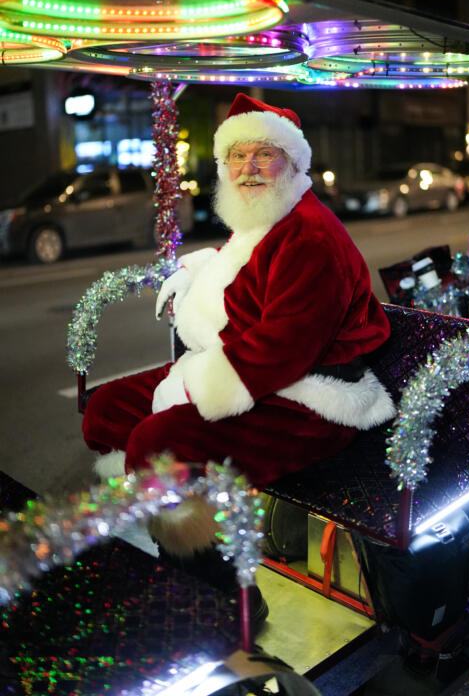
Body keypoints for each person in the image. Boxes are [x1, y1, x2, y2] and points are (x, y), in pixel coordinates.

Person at [82, 92, 396, 567]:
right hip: (252, 372)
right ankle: (163, 537)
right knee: (107, 409)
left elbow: (284, 349)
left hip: (311, 398)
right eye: (237, 155)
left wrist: (191, 386)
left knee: (159, 444)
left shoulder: (309, 235)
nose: (248, 167)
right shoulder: (263, 217)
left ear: (290, 162)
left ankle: (217, 589)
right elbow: (239, 273)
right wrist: (192, 272)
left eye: (263, 154)